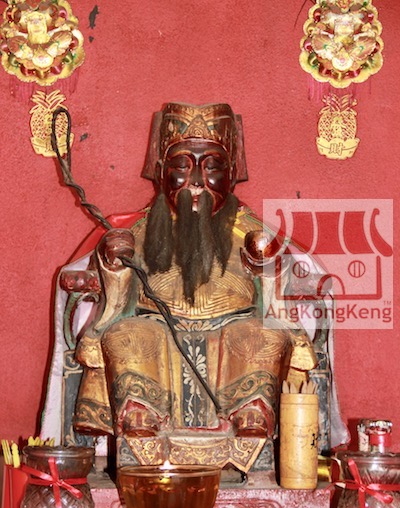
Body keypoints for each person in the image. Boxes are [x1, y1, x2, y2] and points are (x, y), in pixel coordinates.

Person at [41, 102, 349, 473]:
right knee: (128, 335)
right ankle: (140, 418)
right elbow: (85, 279)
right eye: (182, 166)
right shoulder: (138, 229)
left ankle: (251, 416)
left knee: (262, 336)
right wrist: (111, 260)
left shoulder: (249, 229)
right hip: (155, 327)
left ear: (231, 174)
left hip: (235, 327)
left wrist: (268, 263)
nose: (198, 180)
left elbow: (305, 277)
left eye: (213, 166)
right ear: (162, 172)